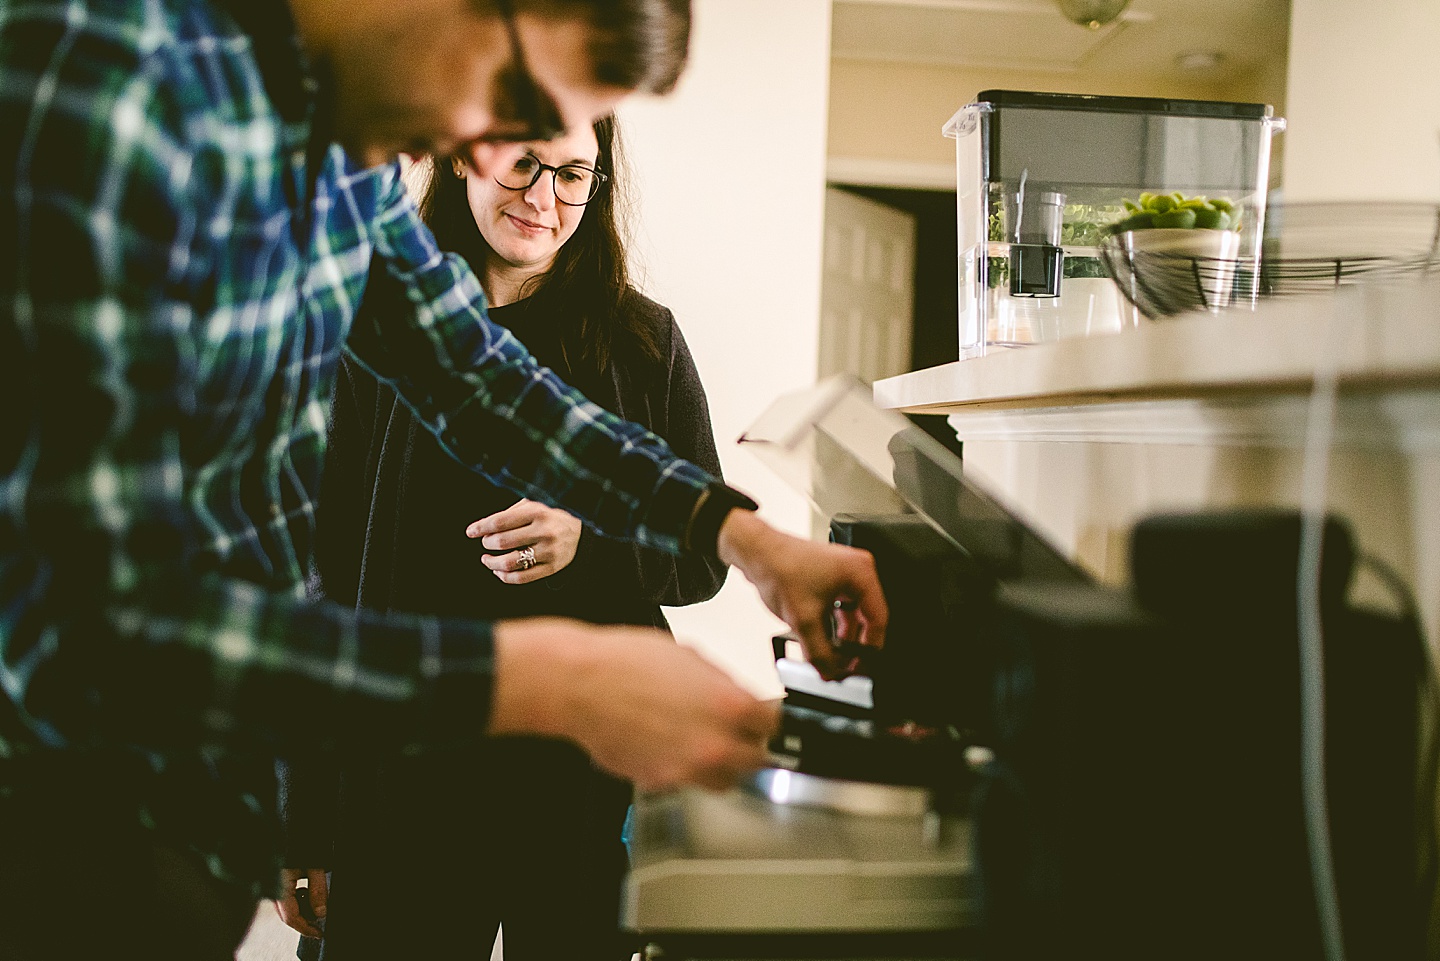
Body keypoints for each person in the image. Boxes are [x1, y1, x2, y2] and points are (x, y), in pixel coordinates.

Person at [0, 1, 886, 958]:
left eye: (566, 164)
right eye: (509, 106)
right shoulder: (115, 91)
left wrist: (739, 535)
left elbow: (478, 379)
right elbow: (83, 623)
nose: (481, 150)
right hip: (75, 823)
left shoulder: (345, 146)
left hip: (207, 823)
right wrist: (562, 683)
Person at [281, 116, 722, 960]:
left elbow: (702, 555)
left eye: (573, 175)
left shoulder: (643, 343)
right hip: (397, 789)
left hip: (580, 791)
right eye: (525, 164)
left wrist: (590, 542)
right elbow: (316, 579)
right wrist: (304, 814)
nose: (545, 200)